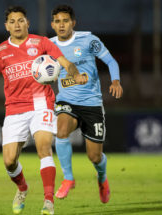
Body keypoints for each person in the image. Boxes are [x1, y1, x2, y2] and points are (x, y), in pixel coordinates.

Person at [0, 6, 86, 215]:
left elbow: (65, 63)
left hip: (41, 103)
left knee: (44, 148)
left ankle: (48, 201)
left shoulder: (41, 42)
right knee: (9, 161)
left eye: (20, 20)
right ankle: (22, 188)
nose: (17, 24)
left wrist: (76, 73)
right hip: (14, 109)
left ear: (28, 23)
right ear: (7, 26)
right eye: (12, 21)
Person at [50, 5, 123, 203]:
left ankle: (102, 178)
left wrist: (115, 81)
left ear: (73, 23)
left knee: (95, 157)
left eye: (65, 21)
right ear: (52, 24)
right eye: (57, 21)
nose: (62, 25)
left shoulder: (89, 40)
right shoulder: (49, 46)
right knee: (61, 129)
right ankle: (68, 178)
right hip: (67, 101)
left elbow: (111, 61)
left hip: (91, 104)